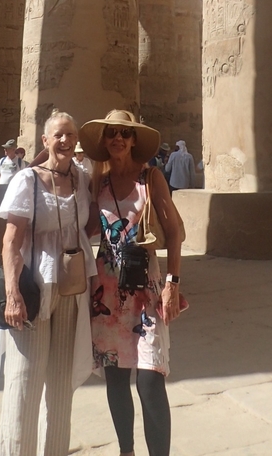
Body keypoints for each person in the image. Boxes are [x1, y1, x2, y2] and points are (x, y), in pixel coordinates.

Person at [79, 110, 183, 456]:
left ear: (134, 139)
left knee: (151, 378)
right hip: (106, 287)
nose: (118, 138)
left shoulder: (150, 178)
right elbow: (89, 228)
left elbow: (175, 232)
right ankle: (126, 450)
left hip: (144, 286)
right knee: (116, 376)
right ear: (105, 140)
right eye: (112, 133)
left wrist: (173, 282)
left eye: (125, 133)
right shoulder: (100, 182)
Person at [0, 110, 95, 456]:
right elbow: (10, 241)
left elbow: (87, 226)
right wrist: (13, 295)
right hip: (35, 288)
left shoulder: (82, 179)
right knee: (25, 380)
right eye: (58, 135)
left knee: (61, 382)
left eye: (70, 135)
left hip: (71, 285)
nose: (65, 141)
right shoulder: (27, 180)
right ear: (45, 141)